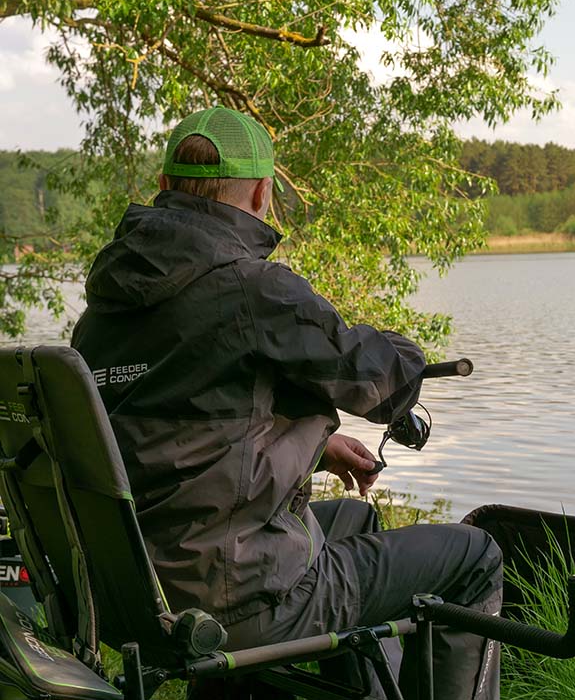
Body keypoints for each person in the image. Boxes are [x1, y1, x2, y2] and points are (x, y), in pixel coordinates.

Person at [71, 106, 502, 699]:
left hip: (132, 595)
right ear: (261, 193)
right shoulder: (253, 289)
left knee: (356, 520)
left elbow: (172, 439)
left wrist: (317, 449)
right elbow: (377, 381)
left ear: (165, 185)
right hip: (233, 599)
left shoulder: (101, 313)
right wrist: (406, 350)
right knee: (476, 556)